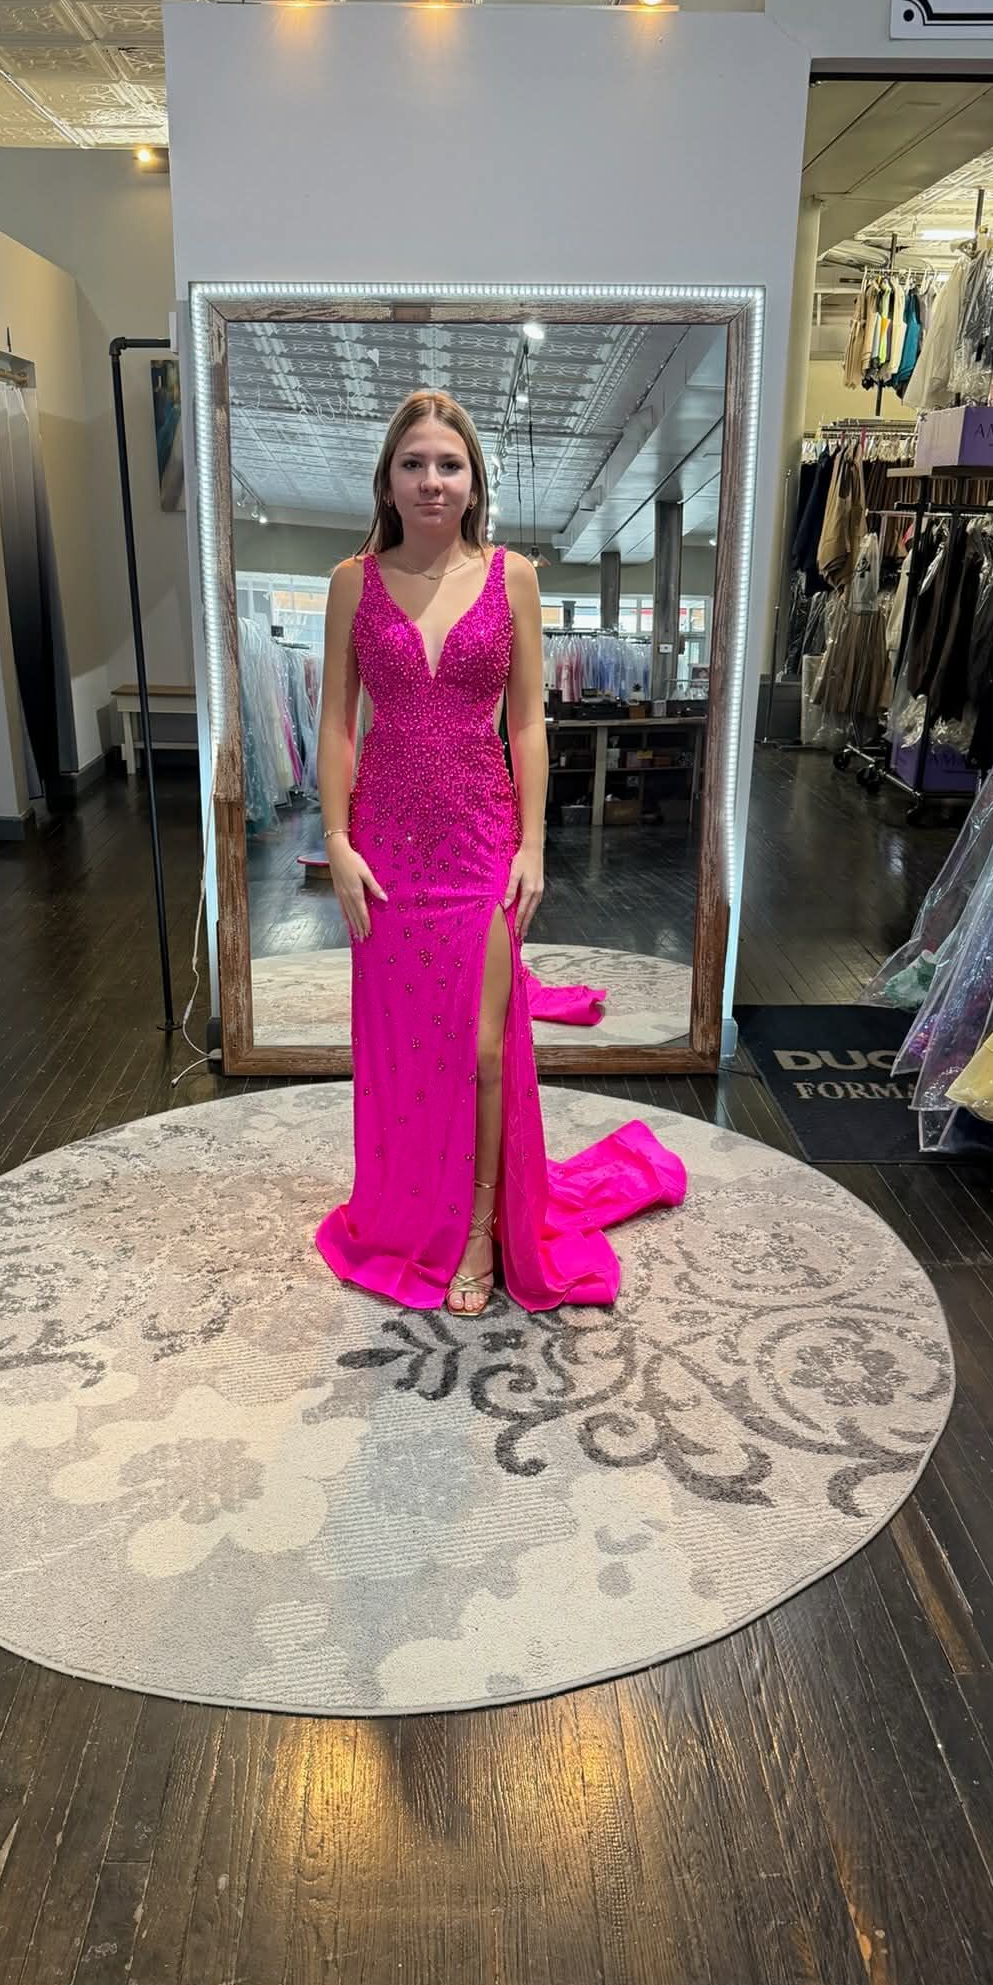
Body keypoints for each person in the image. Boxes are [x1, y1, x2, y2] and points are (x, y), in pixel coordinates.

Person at [313, 388, 687, 1317]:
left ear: (474, 480)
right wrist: (335, 839)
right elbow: (334, 725)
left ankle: (479, 1231)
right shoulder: (352, 582)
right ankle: (405, 1217)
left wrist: (533, 846)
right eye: (413, 464)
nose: (431, 480)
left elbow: (528, 719)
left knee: (482, 1046)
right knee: (403, 1046)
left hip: (481, 840)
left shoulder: (513, 576)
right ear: (388, 481)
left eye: (449, 464)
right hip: (387, 844)